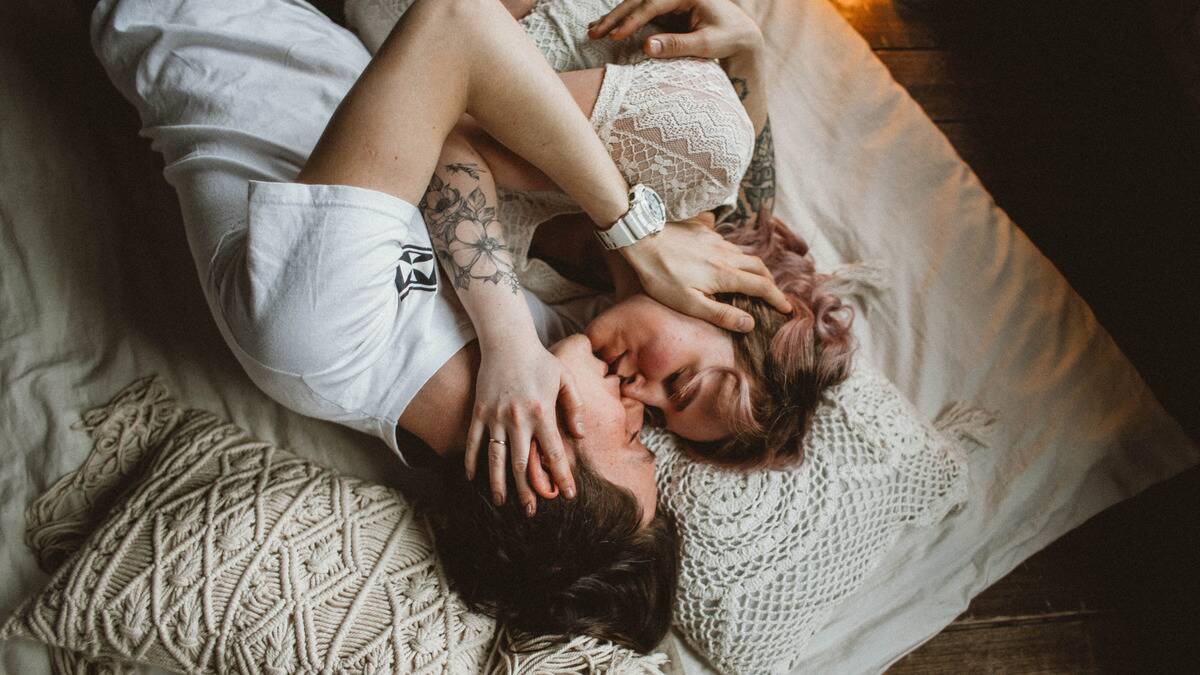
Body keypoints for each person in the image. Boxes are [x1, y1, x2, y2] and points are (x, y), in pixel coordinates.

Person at [91, 0, 788, 651]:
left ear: (547, 467)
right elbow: (716, 230)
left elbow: (452, 23)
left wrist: (606, 247)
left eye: (636, 439)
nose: (639, 400)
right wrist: (750, 57)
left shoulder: (322, 338)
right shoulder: (529, 354)